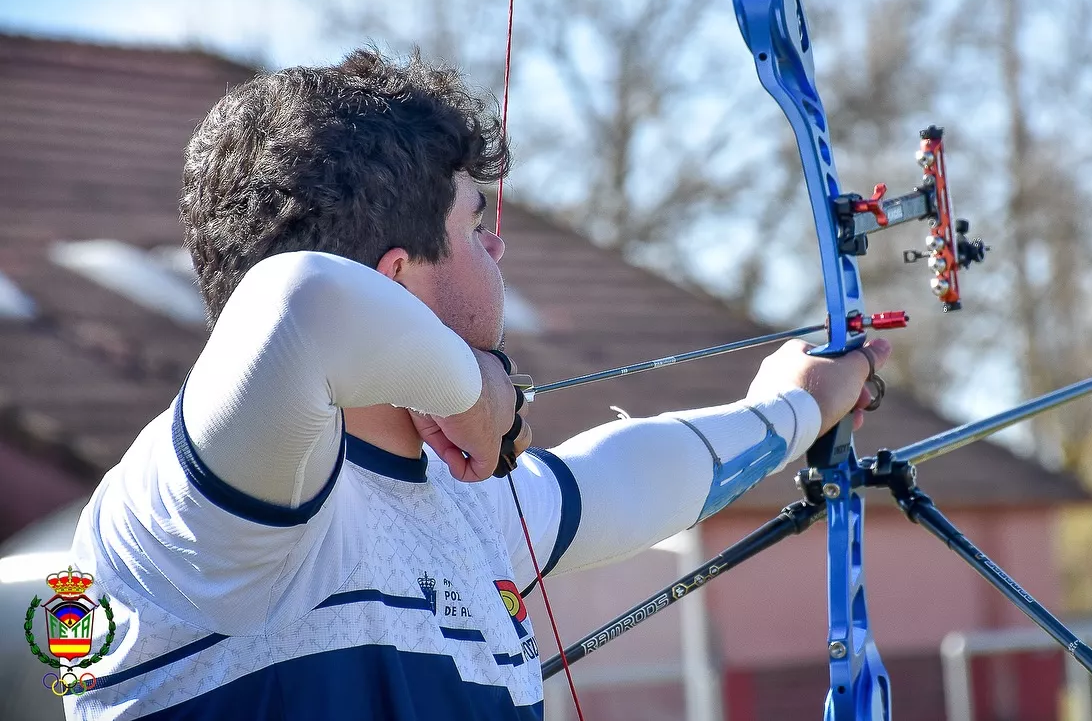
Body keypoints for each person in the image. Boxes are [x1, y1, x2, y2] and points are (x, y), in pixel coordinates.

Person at [65, 48, 889, 720]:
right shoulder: (194, 517)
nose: (496, 248)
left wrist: (797, 404)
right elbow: (297, 303)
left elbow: (629, 476)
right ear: (395, 278)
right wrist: (473, 391)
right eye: (472, 224)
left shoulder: (465, 502)